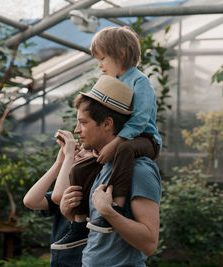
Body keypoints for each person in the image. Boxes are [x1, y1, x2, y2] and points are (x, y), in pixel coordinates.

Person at [52, 26, 162, 249]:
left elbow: (140, 120)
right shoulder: (113, 82)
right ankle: (80, 223)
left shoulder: (140, 82)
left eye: (103, 58)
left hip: (144, 139)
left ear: (121, 52)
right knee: (80, 169)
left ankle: (117, 204)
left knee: (125, 150)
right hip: (122, 140)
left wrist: (116, 142)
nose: (100, 65)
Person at [60, 75, 162, 266]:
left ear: (107, 124)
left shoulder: (139, 169)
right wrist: (71, 215)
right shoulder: (101, 167)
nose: (76, 130)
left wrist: (109, 212)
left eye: (83, 123)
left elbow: (149, 243)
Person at [23, 133, 89, 267]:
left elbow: (58, 197)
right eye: (80, 149)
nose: (80, 153)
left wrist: (69, 157)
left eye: (87, 151)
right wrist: (59, 162)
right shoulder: (68, 188)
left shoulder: (91, 192)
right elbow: (31, 201)